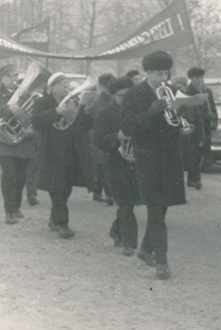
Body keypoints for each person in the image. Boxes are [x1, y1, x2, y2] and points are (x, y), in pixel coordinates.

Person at [120, 50, 186, 280]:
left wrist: (183, 115)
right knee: (155, 209)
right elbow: (128, 127)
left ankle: (146, 249)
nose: (163, 77)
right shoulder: (133, 95)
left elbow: (176, 124)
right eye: (158, 73)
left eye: (166, 72)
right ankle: (162, 261)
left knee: (162, 207)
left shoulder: (173, 92)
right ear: (147, 72)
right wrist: (150, 113)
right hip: (147, 157)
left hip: (169, 157)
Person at [31, 72, 96, 239]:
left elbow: (85, 126)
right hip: (52, 151)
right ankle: (62, 223)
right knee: (58, 189)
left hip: (71, 151)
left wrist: (87, 111)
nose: (66, 87)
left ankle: (54, 219)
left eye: (67, 83)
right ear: (51, 87)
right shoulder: (42, 101)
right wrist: (56, 111)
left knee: (65, 188)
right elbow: (36, 122)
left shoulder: (75, 101)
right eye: (62, 84)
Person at [0, 64, 36, 224]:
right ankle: (9, 211)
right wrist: (9, 109)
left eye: (16, 76)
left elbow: (33, 114)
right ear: (2, 78)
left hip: (22, 140)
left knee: (21, 176)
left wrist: (30, 127)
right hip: (3, 140)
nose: (15, 79)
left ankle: (16, 207)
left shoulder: (23, 94)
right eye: (11, 76)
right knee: (9, 176)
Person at [93, 76, 140, 255]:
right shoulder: (104, 113)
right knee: (126, 203)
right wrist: (117, 137)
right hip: (114, 161)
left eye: (128, 95)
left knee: (129, 203)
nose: (125, 99)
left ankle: (115, 231)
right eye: (121, 96)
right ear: (113, 96)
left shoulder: (137, 111)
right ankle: (129, 243)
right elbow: (97, 141)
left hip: (135, 162)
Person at [88, 72, 116, 205]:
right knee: (104, 165)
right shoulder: (101, 100)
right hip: (101, 135)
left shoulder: (104, 98)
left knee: (101, 166)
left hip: (102, 135)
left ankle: (98, 192)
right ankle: (110, 194)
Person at [186, 67, 218, 174]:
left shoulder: (207, 90)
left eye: (200, 77)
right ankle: (194, 173)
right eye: (195, 78)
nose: (198, 80)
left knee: (206, 148)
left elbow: (213, 107)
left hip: (207, 125)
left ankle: (204, 169)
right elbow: (190, 110)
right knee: (195, 150)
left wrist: (215, 120)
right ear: (191, 79)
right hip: (195, 125)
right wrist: (205, 116)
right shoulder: (188, 91)